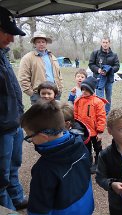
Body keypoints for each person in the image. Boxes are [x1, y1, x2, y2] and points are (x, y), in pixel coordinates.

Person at [21, 100, 94, 215]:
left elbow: (39, 210)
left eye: (29, 137)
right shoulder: (80, 144)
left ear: (43, 137)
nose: (31, 140)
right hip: (86, 207)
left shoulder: (43, 169)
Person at [0, 6, 28, 211]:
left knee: (13, 167)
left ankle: (17, 197)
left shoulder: (3, 54)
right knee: (0, 175)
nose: (11, 39)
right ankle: (7, 208)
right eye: (7, 32)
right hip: (1, 128)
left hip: (14, 123)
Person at [18, 31, 63, 105]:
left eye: (43, 42)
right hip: (38, 95)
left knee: (54, 116)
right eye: (38, 42)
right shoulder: (27, 58)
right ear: (35, 44)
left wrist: (60, 89)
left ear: (46, 43)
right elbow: (23, 78)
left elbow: (59, 74)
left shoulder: (52, 57)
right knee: (40, 116)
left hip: (55, 94)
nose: (41, 44)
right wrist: (32, 94)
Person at [74, 76, 107, 174]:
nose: (84, 91)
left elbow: (101, 117)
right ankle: (87, 162)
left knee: (97, 147)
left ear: (92, 90)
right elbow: (75, 115)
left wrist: (100, 132)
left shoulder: (97, 102)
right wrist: (76, 126)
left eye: (87, 89)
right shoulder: (78, 100)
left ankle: (98, 162)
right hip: (83, 131)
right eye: (83, 89)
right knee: (86, 147)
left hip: (94, 131)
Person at [88, 36, 120, 114]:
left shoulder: (114, 55)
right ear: (101, 43)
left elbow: (117, 66)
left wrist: (109, 70)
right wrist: (98, 70)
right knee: (99, 97)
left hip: (109, 80)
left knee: (108, 97)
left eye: (107, 42)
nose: (105, 44)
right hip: (98, 79)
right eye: (103, 42)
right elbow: (91, 64)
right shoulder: (95, 53)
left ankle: (107, 113)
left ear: (109, 43)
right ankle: (99, 112)